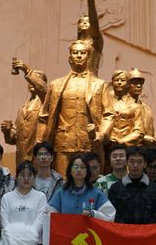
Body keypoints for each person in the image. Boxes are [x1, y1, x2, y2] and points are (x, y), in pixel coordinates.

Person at [38, 40, 113, 176]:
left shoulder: (100, 85)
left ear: (88, 57)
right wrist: (41, 144)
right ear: (70, 58)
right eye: (75, 52)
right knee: (62, 182)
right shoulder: (56, 85)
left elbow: (109, 114)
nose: (79, 55)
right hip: (63, 143)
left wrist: (101, 134)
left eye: (82, 53)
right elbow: (44, 116)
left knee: (91, 181)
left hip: (90, 143)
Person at [2, 59, 48, 165]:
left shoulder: (46, 103)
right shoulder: (22, 109)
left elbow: (45, 92)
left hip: (38, 158)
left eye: (35, 80)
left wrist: (26, 70)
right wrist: (7, 131)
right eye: (29, 81)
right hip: (21, 160)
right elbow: (13, 139)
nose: (31, 83)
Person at [127, 68, 156, 145]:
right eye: (135, 83)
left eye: (141, 83)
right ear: (127, 85)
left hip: (146, 150)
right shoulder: (122, 106)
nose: (139, 86)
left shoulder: (147, 109)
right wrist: (142, 139)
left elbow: (151, 132)